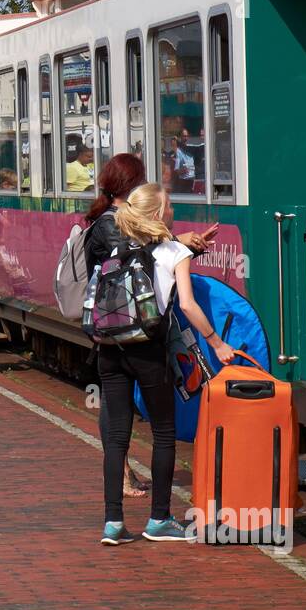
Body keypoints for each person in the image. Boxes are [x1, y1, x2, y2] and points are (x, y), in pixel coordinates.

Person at [97, 183, 235, 546]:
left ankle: (113, 523)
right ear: (158, 213)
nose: (173, 208)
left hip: (110, 349)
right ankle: (159, 518)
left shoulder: (117, 248)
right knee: (162, 432)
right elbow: (187, 305)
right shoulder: (175, 251)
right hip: (147, 349)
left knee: (116, 438)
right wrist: (217, 343)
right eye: (169, 204)